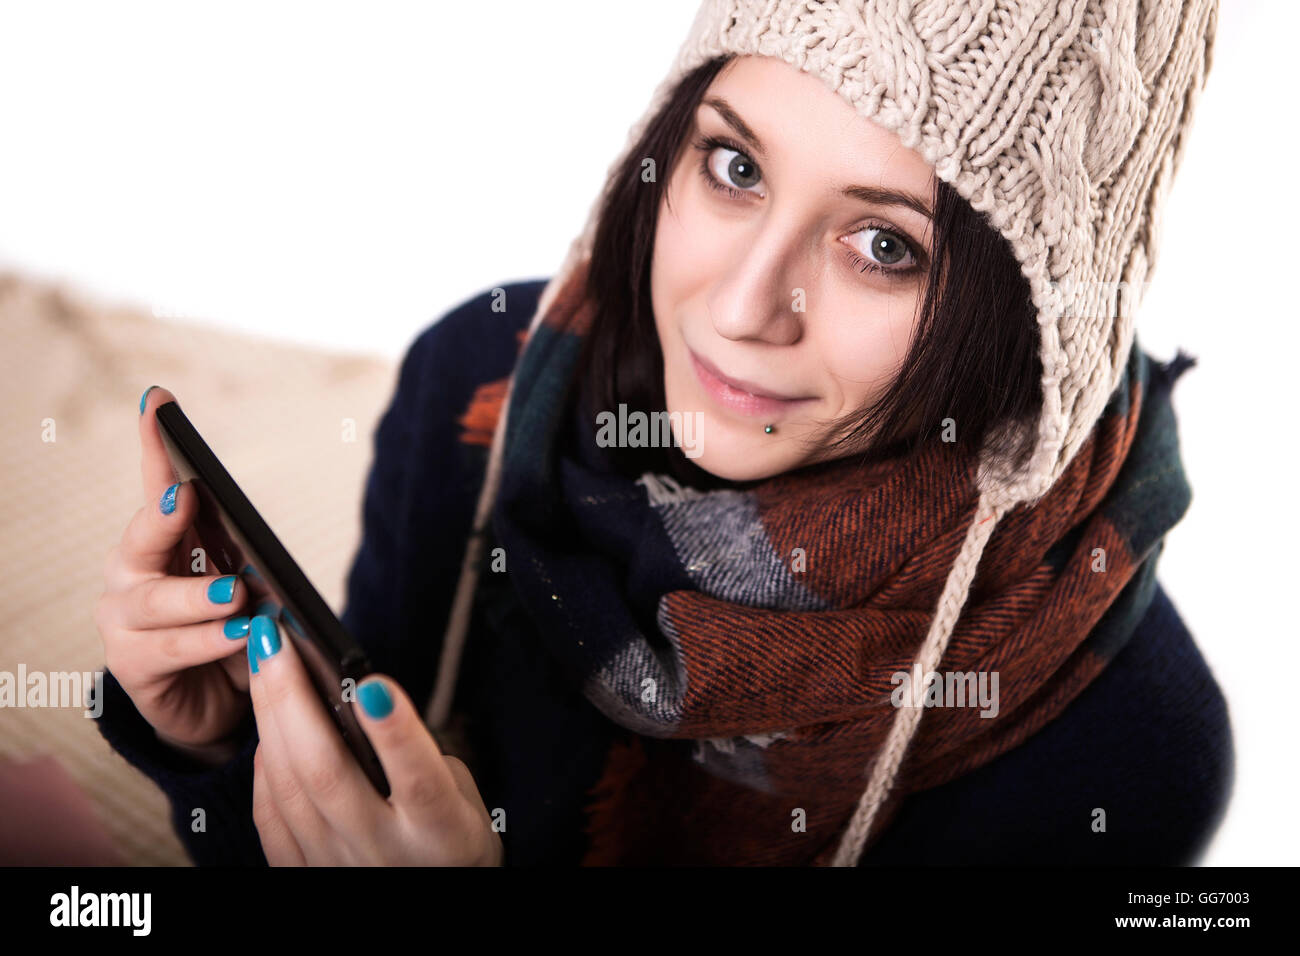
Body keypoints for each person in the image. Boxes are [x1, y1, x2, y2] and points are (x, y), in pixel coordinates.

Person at [93, 0, 1232, 866]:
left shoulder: (1129, 751)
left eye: (885, 247)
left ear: (1033, 318)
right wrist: (228, 744)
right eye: (734, 167)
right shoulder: (480, 392)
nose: (740, 308)